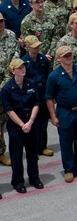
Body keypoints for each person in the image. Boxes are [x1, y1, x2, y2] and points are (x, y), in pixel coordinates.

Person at [46, 46, 77, 182]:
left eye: (70, 55)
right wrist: (53, 116)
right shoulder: (54, 76)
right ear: (59, 58)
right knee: (66, 142)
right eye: (65, 55)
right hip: (64, 112)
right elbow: (49, 98)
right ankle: (69, 169)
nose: (68, 57)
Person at [2, 58, 43, 193]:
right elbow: (9, 109)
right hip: (16, 125)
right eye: (19, 68)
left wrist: (30, 122)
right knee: (16, 155)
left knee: (32, 152)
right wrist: (22, 124)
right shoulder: (7, 89)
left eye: (23, 67)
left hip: (31, 123)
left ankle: (34, 178)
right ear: (13, 71)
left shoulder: (31, 84)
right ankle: (18, 181)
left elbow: (36, 103)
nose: (22, 69)